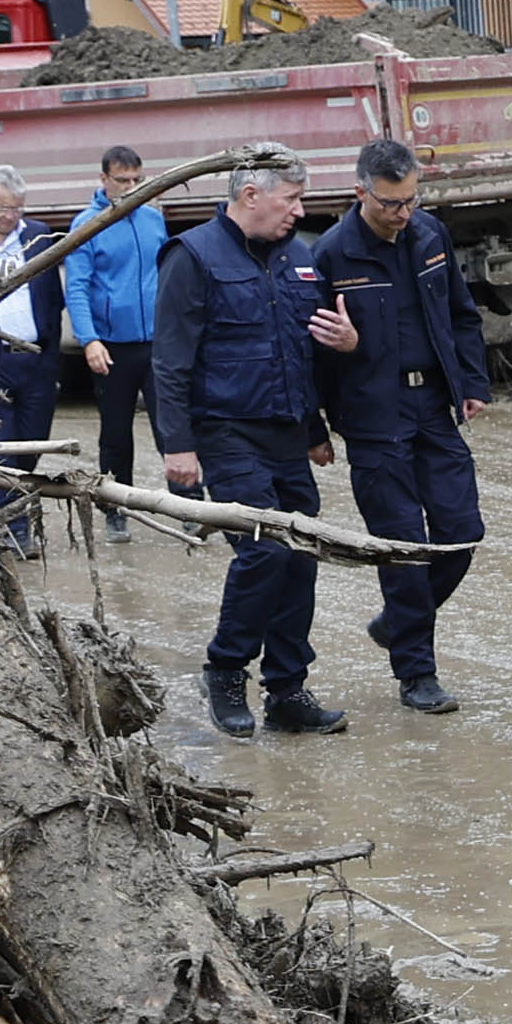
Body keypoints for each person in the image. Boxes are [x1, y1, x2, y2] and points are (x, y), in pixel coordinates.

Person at [152, 149, 350, 738]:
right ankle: (225, 669)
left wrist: (315, 429)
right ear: (250, 196)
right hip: (226, 432)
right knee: (265, 549)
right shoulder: (193, 256)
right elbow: (170, 361)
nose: (300, 210)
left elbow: (299, 349)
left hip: (287, 432)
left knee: (302, 551)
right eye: (291, 198)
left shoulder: (298, 256)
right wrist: (177, 447)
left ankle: (287, 691)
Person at [310, 135, 488, 714]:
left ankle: (398, 623)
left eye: (411, 199)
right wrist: (318, 416)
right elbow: (309, 350)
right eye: (391, 204)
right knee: (403, 547)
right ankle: (417, 675)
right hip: (373, 417)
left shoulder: (430, 235)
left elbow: (461, 314)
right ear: (361, 193)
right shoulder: (331, 255)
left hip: (434, 409)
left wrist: (472, 384)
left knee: (462, 535)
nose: (403, 213)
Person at [0, 168, 65, 547]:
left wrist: (52, 357)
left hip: (36, 359)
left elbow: (54, 299)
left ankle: (9, 510)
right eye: (3, 207)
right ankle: (13, 530)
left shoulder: (38, 235)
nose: (10, 215)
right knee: (2, 446)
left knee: (33, 444)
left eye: (18, 207)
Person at [63, 143, 164, 484]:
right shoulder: (87, 225)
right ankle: (114, 508)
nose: (131, 188)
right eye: (123, 180)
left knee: (172, 426)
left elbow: (165, 276)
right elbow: (76, 287)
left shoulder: (153, 220)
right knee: (116, 431)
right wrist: (89, 340)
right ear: (104, 178)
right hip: (112, 346)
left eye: (137, 179)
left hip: (156, 341)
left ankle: (189, 504)